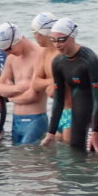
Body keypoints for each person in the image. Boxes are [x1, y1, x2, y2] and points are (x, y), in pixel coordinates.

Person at [41, 18, 98, 153]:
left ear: (72, 37)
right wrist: (51, 132)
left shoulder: (89, 59)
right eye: (53, 40)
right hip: (77, 119)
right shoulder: (58, 63)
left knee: (94, 165)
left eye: (61, 40)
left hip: (97, 119)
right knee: (76, 164)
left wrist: (95, 132)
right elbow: (59, 99)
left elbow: (97, 98)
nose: (57, 44)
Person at [0, 22, 48, 145]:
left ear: (17, 40)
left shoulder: (40, 55)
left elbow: (32, 96)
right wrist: (18, 88)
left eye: (8, 49)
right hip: (16, 120)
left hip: (36, 119)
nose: (7, 53)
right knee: (17, 163)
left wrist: (10, 96)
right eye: (4, 50)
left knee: (32, 162)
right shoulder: (12, 58)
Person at [30, 12, 72, 143]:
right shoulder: (43, 53)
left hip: (72, 112)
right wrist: (52, 82)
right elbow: (35, 83)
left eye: (34, 32)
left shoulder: (63, 53)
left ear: (43, 33)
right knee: (58, 157)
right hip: (57, 114)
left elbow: (70, 83)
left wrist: (54, 85)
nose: (34, 36)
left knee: (71, 155)